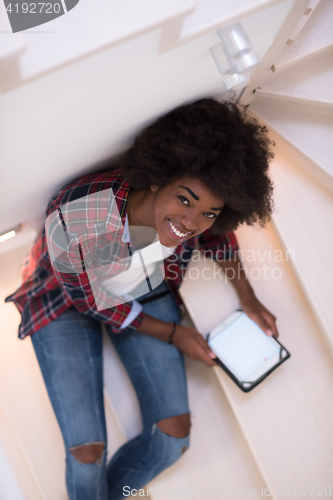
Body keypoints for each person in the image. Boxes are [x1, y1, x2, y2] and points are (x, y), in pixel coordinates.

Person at [5, 98, 278, 499]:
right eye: (184, 199)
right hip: (62, 300)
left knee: (173, 439)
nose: (190, 221)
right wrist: (172, 334)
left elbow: (217, 237)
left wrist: (249, 297)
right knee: (87, 455)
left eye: (207, 212)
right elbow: (89, 302)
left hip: (140, 289)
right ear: (156, 178)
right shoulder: (78, 213)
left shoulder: (198, 221)